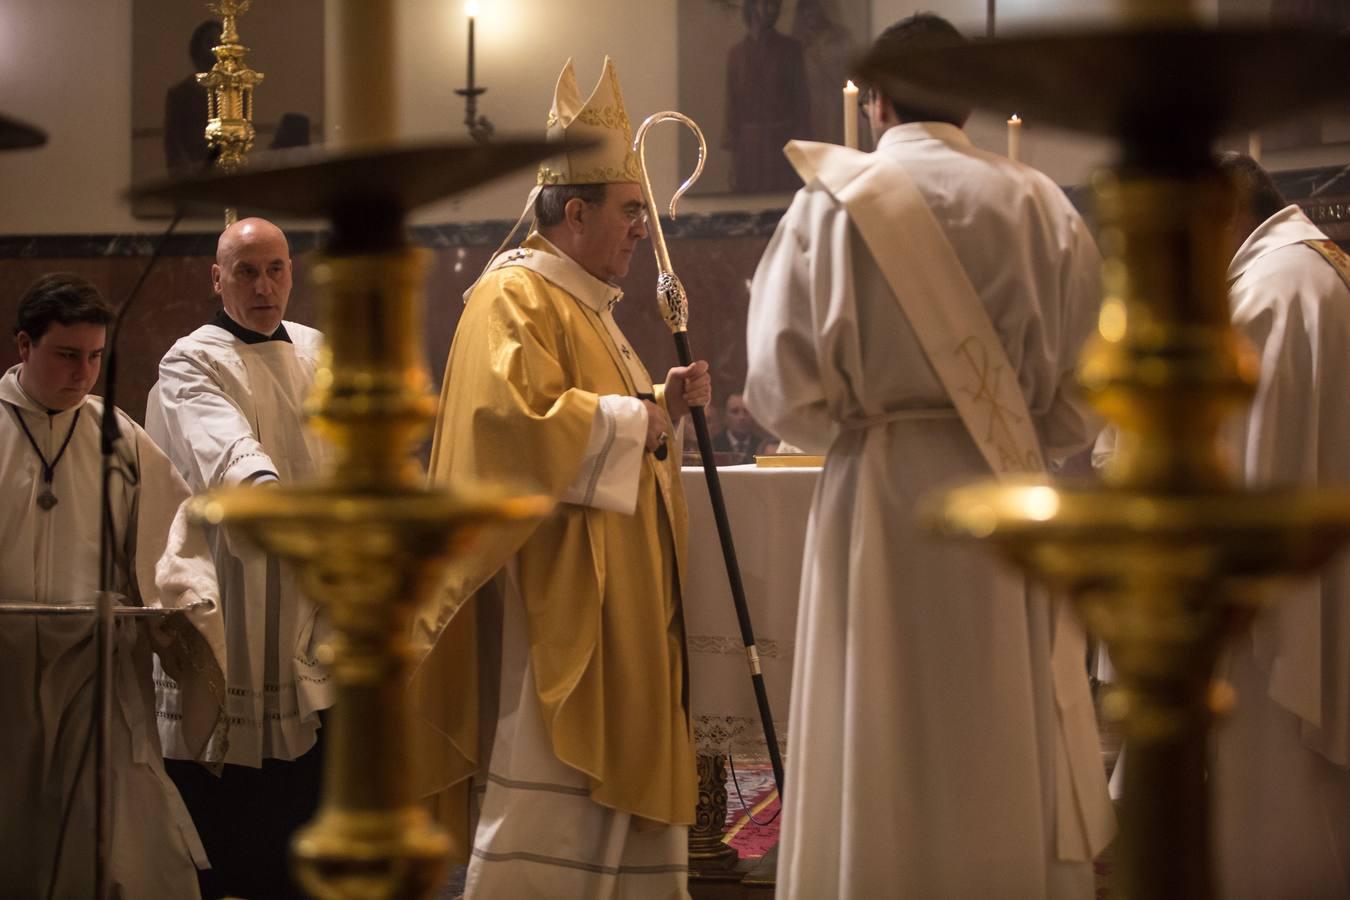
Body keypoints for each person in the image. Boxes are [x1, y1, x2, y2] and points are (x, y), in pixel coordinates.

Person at [743, 14, 1115, 897]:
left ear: (874, 101)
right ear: (973, 98)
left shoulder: (827, 203)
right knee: (997, 719)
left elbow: (777, 386)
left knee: (875, 722)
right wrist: (1015, 432)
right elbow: (1087, 389)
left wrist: (858, 435)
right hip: (1005, 495)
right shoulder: (1039, 205)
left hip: (873, 495)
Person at [411, 56, 712, 899]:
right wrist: (638, 418)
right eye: (632, 212)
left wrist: (660, 402)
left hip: (618, 593)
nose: (643, 230)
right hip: (557, 600)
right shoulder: (512, 298)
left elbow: (584, 413)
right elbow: (507, 430)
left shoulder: (589, 307)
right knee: (550, 785)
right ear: (574, 213)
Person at [0, 273, 224, 898]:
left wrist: (184, 601)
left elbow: (171, 539)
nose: (83, 373)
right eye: (67, 355)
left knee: (98, 826)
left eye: (96, 357)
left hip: (93, 668)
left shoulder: (118, 438)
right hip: (3, 666)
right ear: (24, 345)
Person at [146, 217, 333, 899]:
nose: (263, 285)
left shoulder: (317, 351)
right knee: (232, 796)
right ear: (216, 277)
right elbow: (225, 448)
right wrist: (273, 496)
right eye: (245, 271)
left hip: (312, 593)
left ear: (293, 272)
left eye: (276, 268)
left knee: (308, 790)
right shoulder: (190, 358)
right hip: (235, 588)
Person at [1210, 152, 1350, 898]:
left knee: (1270, 798)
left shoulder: (1265, 292)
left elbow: (1239, 459)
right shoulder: (1318, 267)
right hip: (1324, 563)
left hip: (1272, 590)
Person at [723, 0, 811, 192]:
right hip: (749, 147)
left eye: (773, 5)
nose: (768, 11)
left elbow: (801, 103)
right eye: (763, 4)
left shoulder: (791, 50)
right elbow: (732, 108)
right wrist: (733, 159)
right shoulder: (736, 54)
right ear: (752, 7)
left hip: (782, 143)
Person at [711, 391, 760, 462]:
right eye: (735, 411)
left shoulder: (761, 446)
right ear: (725, 416)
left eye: (746, 411)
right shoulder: (712, 446)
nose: (741, 417)